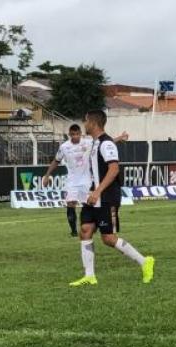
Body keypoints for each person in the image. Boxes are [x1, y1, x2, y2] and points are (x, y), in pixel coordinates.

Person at [69, 110, 154, 287]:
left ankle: (144, 261)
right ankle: (89, 276)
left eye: (85, 121)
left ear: (92, 123)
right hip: (93, 195)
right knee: (85, 229)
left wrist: (98, 191)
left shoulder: (106, 144)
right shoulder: (96, 143)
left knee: (108, 238)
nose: (84, 124)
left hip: (106, 196)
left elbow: (114, 169)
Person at [43, 124, 128, 237]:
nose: (75, 136)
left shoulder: (88, 142)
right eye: (73, 134)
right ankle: (73, 231)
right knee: (70, 203)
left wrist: (120, 138)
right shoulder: (64, 147)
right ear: (69, 135)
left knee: (88, 204)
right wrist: (47, 174)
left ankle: (95, 225)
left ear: (80, 134)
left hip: (87, 180)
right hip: (72, 181)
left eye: (77, 134)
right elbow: (56, 161)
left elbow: (105, 143)